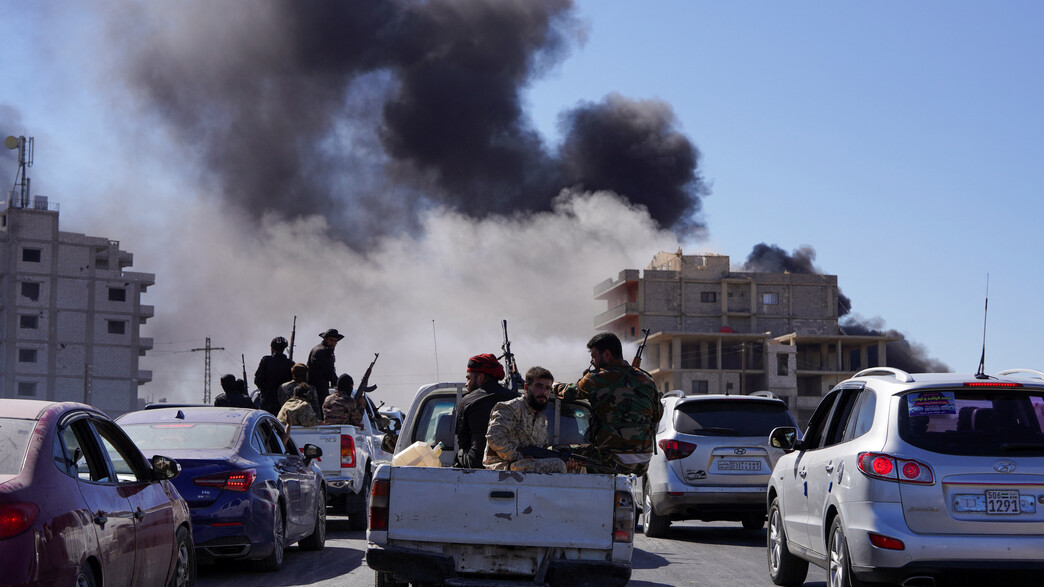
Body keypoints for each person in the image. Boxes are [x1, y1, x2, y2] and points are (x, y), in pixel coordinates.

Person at [554, 332, 662, 475]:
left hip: (610, 460)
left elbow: (568, 393)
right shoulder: (647, 379)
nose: (591, 361)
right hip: (642, 462)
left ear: (606, 355)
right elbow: (657, 416)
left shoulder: (595, 378)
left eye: (594, 356)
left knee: (563, 455)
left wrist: (554, 386)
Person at [484, 366, 571, 473]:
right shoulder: (510, 408)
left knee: (576, 467)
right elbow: (494, 437)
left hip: (527, 465)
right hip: (504, 465)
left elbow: (541, 449)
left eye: (548, 388)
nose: (543, 392)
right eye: (539, 386)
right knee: (558, 465)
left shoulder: (541, 418)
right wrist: (518, 457)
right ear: (526, 387)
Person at [453, 353, 518, 468]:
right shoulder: (516, 399)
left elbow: (463, 440)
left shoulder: (467, 400)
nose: (466, 383)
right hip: (509, 463)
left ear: (481, 378)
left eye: (469, 378)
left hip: (476, 463)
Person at [308, 328, 343, 419]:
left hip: (316, 388)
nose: (333, 343)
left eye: (336, 341)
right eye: (331, 340)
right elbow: (330, 373)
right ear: (325, 339)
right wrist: (341, 385)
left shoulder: (318, 349)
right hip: (319, 389)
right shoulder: (323, 351)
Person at [254, 336, 294, 415]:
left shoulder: (266, 361)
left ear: (272, 348)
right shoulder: (290, 363)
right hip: (284, 404)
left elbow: (258, 381)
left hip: (267, 402)